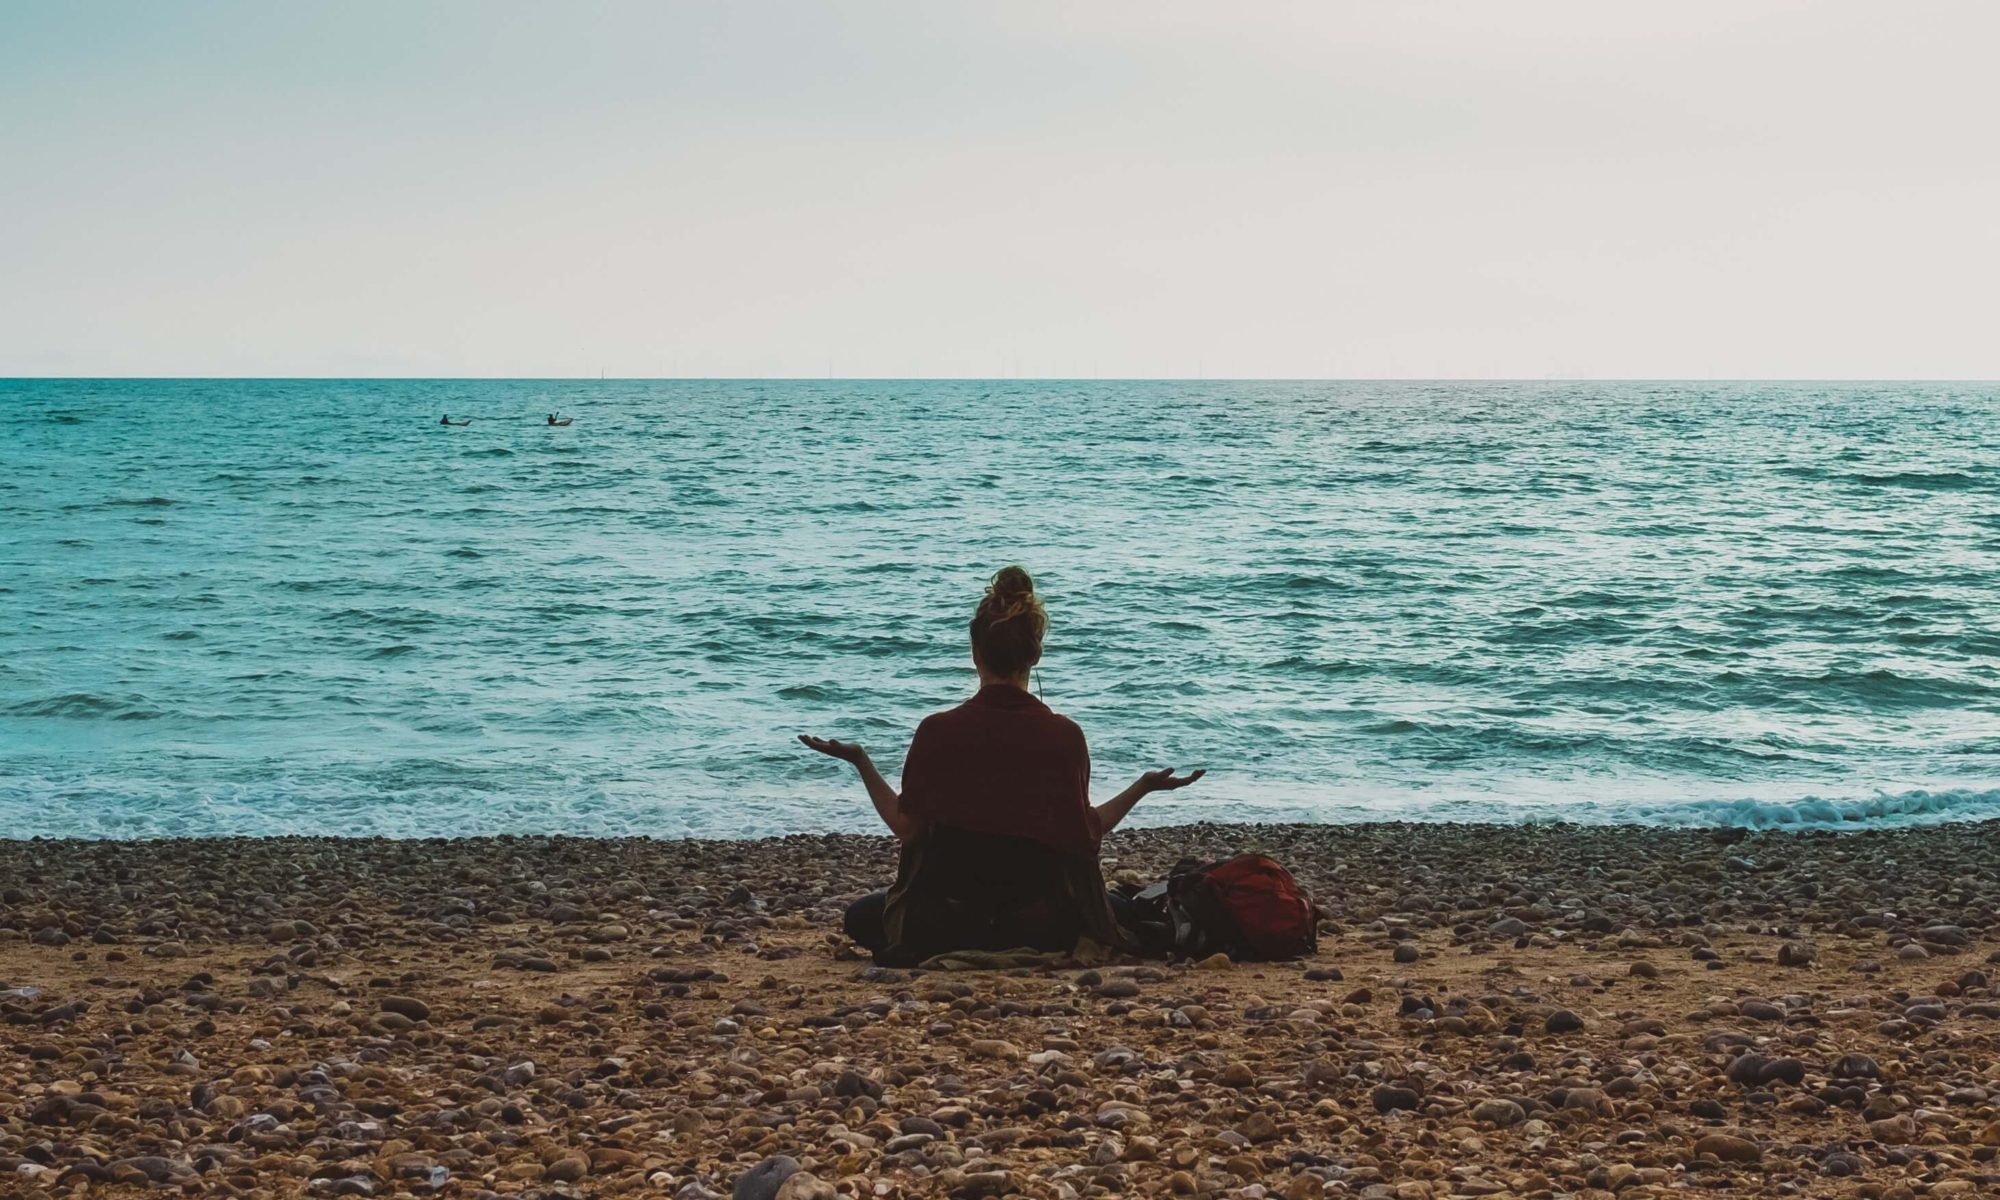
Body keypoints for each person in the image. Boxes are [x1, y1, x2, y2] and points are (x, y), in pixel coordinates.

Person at [799, 566, 1203, 964]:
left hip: (947, 920)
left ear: (974, 651)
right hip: (1041, 924)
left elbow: (908, 829)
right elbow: (1085, 837)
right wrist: (1141, 787)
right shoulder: (1064, 735)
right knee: (1121, 904)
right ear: (1036, 653)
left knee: (861, 917)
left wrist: (861, 761)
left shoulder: (937, 731)